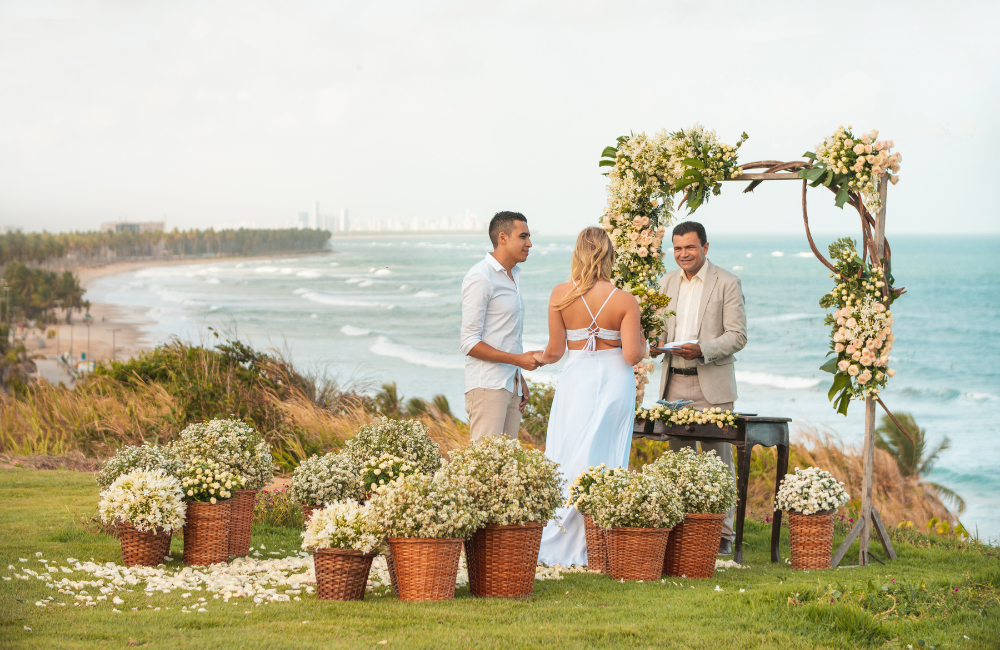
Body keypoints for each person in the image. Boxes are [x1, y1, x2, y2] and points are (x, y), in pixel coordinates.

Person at [534, 226, 647, 567]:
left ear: (578, 254)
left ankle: (558, 537)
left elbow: (554, 352)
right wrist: (643, 338)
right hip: (615, 380)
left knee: (568, 452)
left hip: (577, 379)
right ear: (608, 255)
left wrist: (530, 359)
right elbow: (632, 356)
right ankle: (598, 541)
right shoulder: (625, 300)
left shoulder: (560, 295)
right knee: (606, 455)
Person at [652, 220, 747, 556]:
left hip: (712, 384)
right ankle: (681, 530)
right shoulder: (666, 282)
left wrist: (702, 349)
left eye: (690, 247)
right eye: (677, 248)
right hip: (673, 380)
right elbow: (662, 329)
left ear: (705, 247)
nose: (683, 254)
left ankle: (722, 536)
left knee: (717, 461)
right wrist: (655, 343)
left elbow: (737, 336)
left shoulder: (728, 282)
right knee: (678, 460)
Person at [460, 211, 544, 441]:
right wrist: (518, 361)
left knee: (507, 469)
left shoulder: (514, 275)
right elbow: (468, 343)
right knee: (484, 466)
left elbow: (506, 335)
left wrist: (519, 378)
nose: (529, 243)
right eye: (523, 237)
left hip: (510, 385)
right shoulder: (481, 277)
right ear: (503, 238)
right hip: (487, 386)